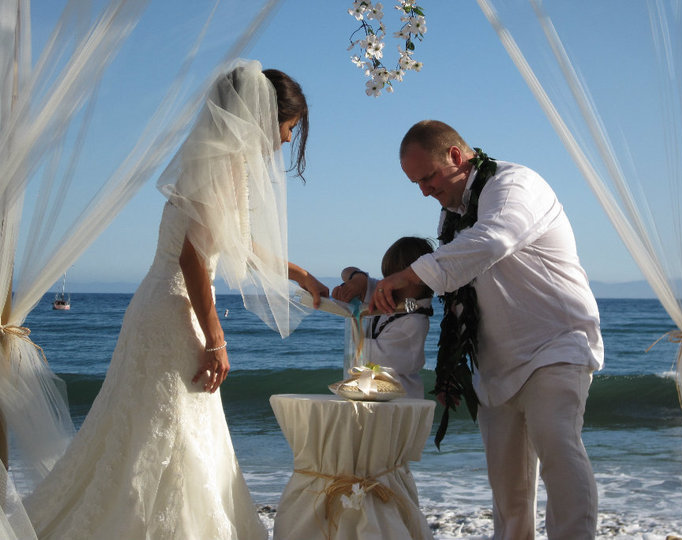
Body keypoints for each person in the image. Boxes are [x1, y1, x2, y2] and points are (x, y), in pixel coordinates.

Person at [24, 60, 328, 540]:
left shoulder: (214, 162)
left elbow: (238, 244)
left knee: (150, 430)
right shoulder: (224, 167)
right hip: (173, 309)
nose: (289, 140)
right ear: (264, 117)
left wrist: (301, 275)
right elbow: (193, 258)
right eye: (289, 127)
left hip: (155, 305)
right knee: (173, 431)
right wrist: (216, 338)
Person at [369, 120, 604, 540]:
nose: (424, 190)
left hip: (554, 343)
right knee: (507, 483)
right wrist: (372, 289)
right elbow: (451, 288)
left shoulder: (514, 186)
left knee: (558, 450)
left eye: (428, 177)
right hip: (494, 361)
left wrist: (410, 273)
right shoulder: (452, 214)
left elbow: (494, 240)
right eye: (416, 183)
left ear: (457, 157)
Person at [332, 236, 435, 398]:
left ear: (420, 280)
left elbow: (370, 357)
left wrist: (355, 318)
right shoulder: (384, 293)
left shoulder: (413, 322)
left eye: (396, 279)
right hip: (374, 400)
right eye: (387, 277)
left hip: (399, 405)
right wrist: (357, 280)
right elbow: (347, 272)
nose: (389, 284)